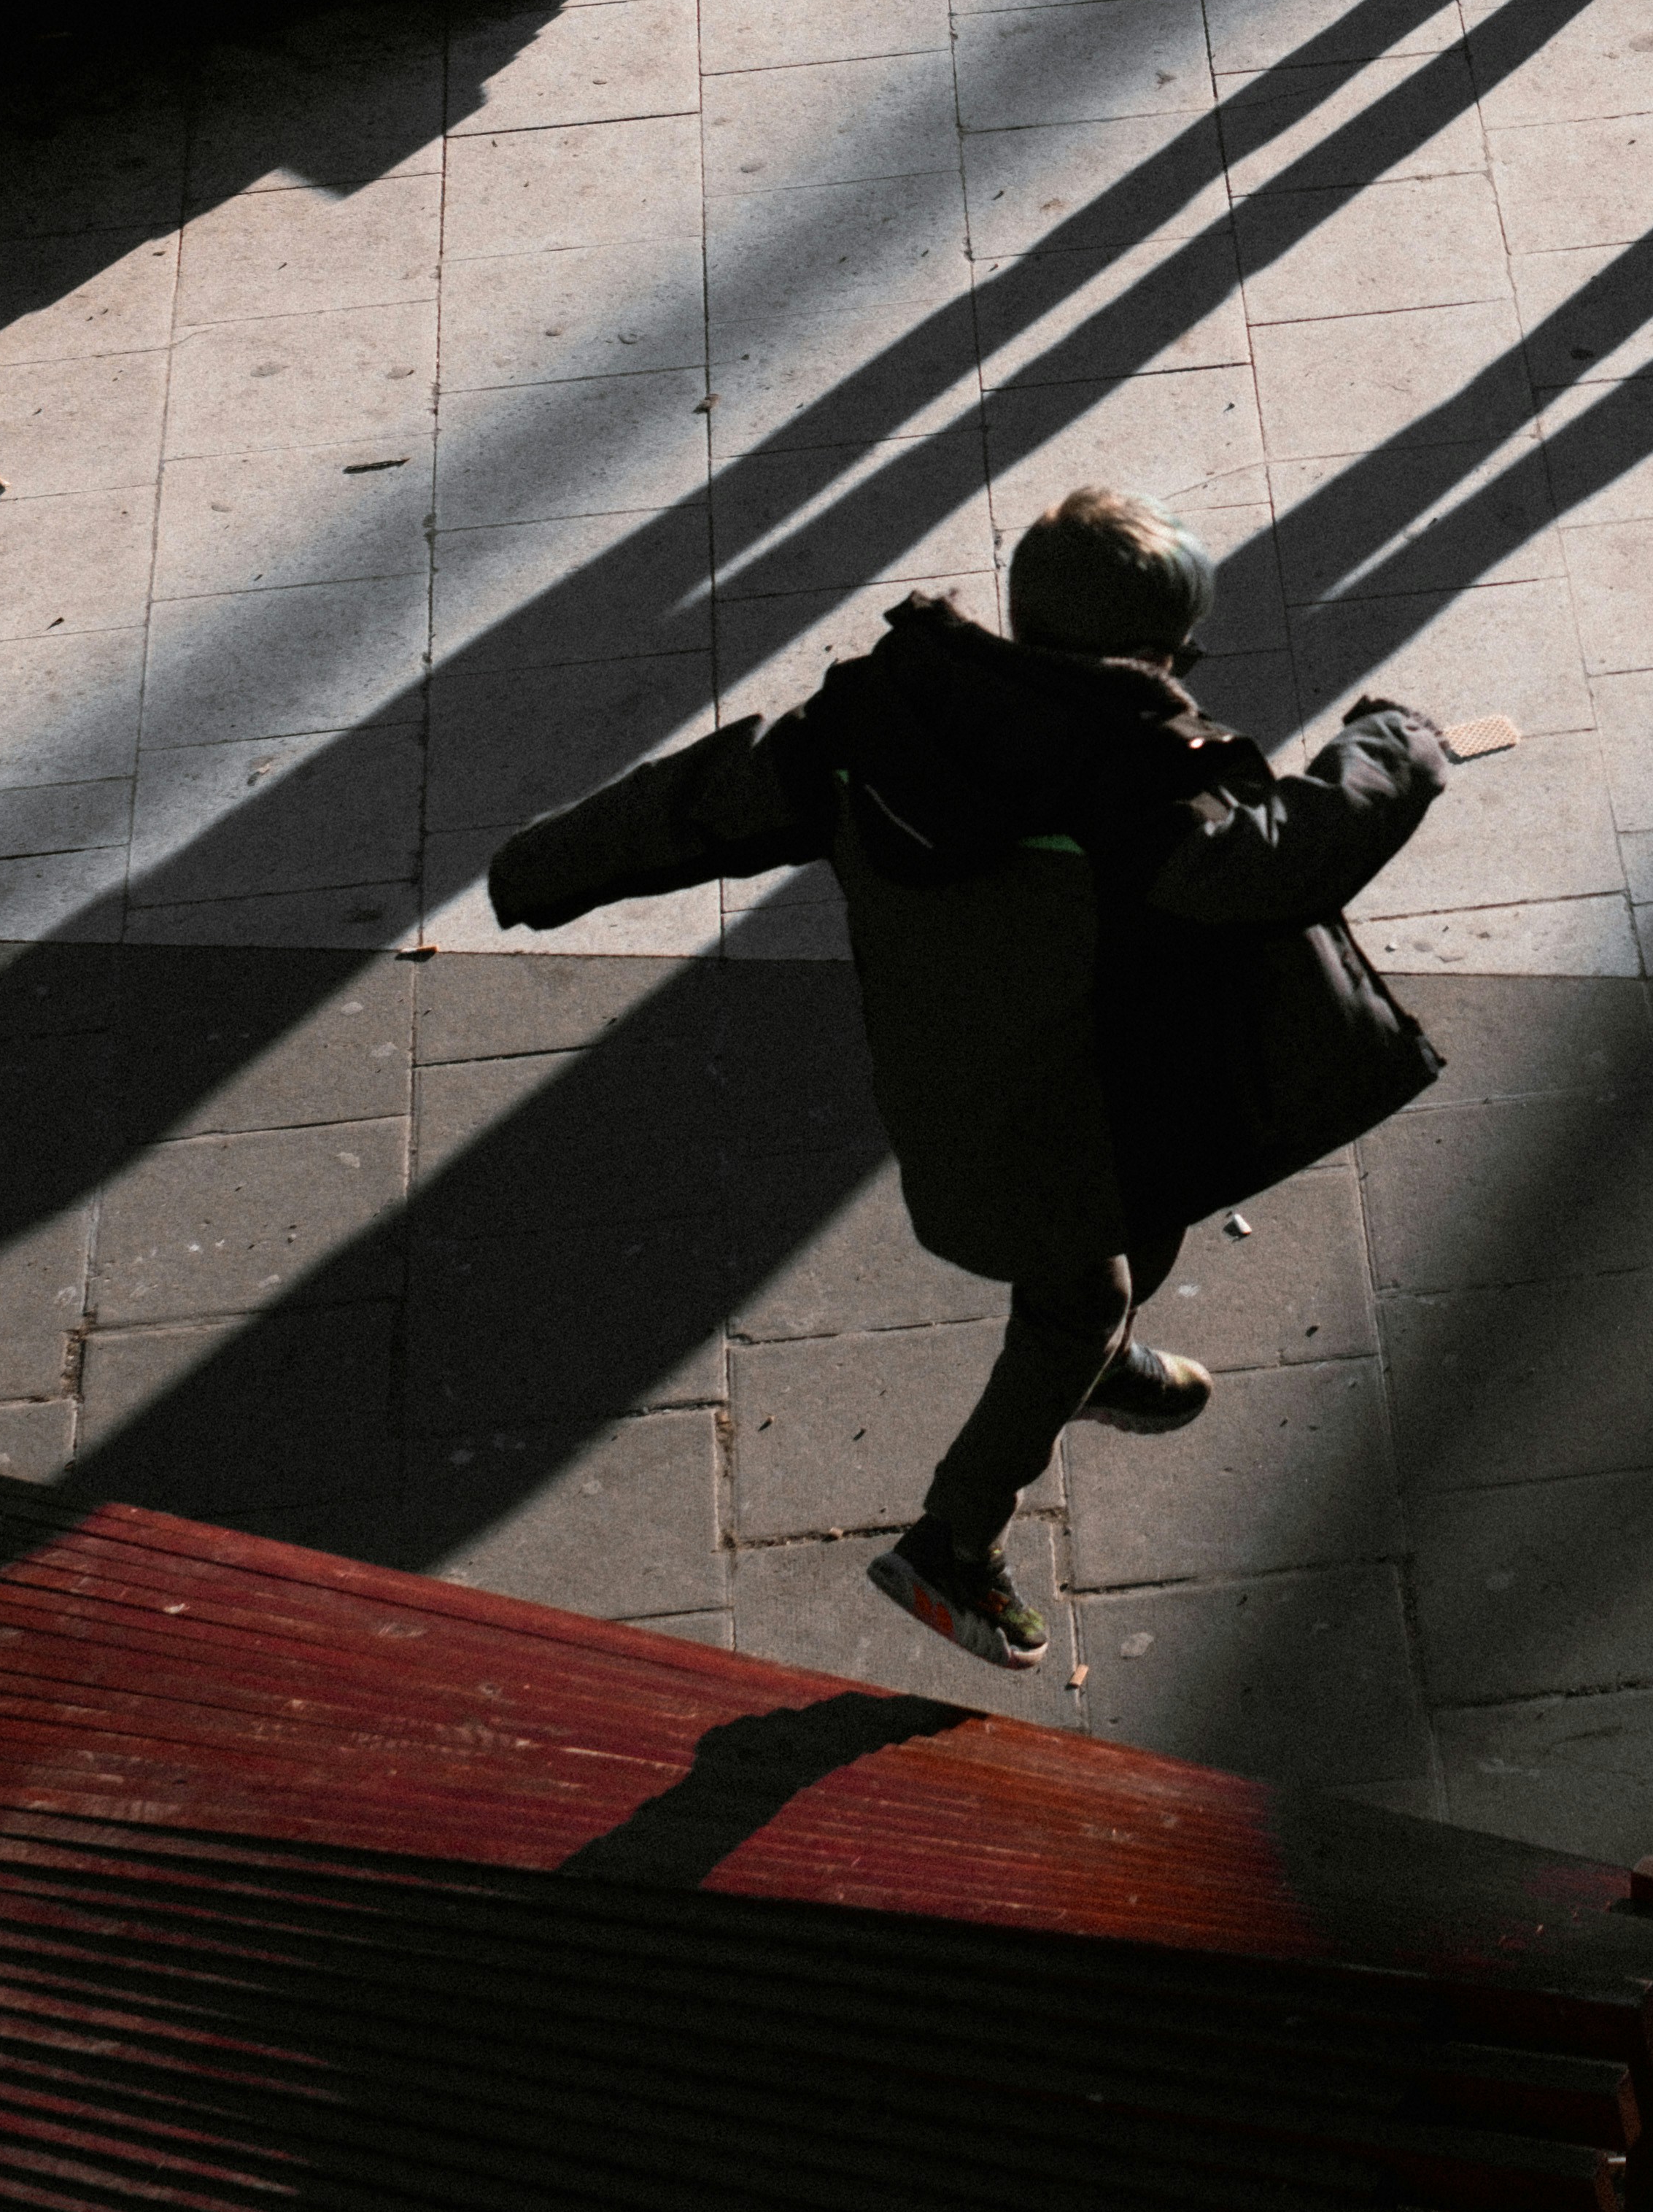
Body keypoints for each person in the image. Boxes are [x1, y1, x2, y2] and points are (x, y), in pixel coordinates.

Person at [487, 490, 1448, 1677]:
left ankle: (1087, 1364)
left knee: (1116, 1253)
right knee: (1084, 1291)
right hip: (1067, 1115)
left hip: (958, 1085)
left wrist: (542, 865)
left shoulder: (882, 722)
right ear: (1155, 653)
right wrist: (1396, 743)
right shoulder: (1131, 786)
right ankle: (953, 1542)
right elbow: (1278, 860)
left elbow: (697, 803)